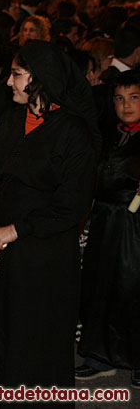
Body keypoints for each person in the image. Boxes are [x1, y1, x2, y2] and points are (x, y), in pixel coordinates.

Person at [0, 41, 98, 393]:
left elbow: (73, 203)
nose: (7, 82)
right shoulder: (12, 122)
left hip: (42, 249)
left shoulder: (72, 131)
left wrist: (15, 231)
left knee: (34, 332)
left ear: (40, 79)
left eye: (17, 74)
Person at [76, 70, 140, 388]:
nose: (125, 105)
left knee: (132, 290)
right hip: (104, 222)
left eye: (134, 97)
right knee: (98, 287)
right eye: (119, 98)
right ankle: (98, 356)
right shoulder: (109, 134)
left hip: (135, 228)